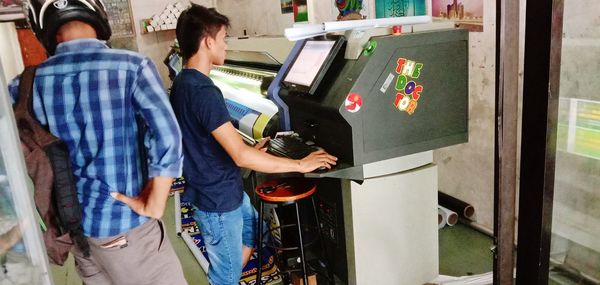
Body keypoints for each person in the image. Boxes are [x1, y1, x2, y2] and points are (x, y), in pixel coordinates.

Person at [9, 1, 186, 284]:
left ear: (44, 28)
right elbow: (168, 133)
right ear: (98, 14)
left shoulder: (25, 85)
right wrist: (155, 201)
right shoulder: (131, 66)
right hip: (126, 228)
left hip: (75, 233)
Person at [170, 4, 337, 285]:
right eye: (224, 39)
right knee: (225, 277)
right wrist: (300, 163)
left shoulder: (183, 82)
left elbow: (210, 142)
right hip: (218, 203)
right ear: (208, 41)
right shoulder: (203, 91)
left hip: (218, 191)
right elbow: (240, 157)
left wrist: (250, 149)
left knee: (255, 230)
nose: (225, 46)